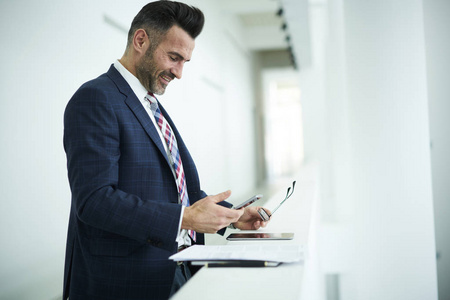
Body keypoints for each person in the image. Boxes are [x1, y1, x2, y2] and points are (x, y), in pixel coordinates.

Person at [63, 1, 270, 299]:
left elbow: (177, 190)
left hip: (177, 269)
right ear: (141, 40)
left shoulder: (150, 105)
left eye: (185, 61)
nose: (179, 72)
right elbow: (94, 201)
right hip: (126, 282)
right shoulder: (96, 98)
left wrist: (234, 216)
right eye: (174, 57)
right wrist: (183, 219)